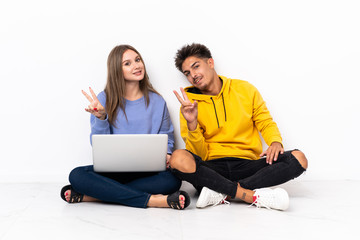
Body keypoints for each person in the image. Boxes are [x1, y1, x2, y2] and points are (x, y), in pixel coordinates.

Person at [170, 43, 308, 210]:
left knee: (298, 158)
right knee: (177, 158)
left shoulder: (245, 89)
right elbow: (199, 154)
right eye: (187, 73)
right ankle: (250, 195)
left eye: (196, 67)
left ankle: (222, 192)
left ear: (210, 63)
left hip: (247, 166)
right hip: (212, 169)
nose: (193, 75)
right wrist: (192, 123)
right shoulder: (188, 106)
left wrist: (275, 142)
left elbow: (264, 121)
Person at [60, 45, 190, 210]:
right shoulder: (103, 99)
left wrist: (167, 153)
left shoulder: (157, 101)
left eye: (137, 60)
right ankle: (154, 201)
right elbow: (99, 145)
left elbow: (167, 136)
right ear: (117, 70)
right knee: (77, 175)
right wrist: (100, 118)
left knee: (173, 180)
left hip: (148, 171)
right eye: (127, 63)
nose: (136, 66)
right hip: (113, 172)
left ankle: (94, 196)